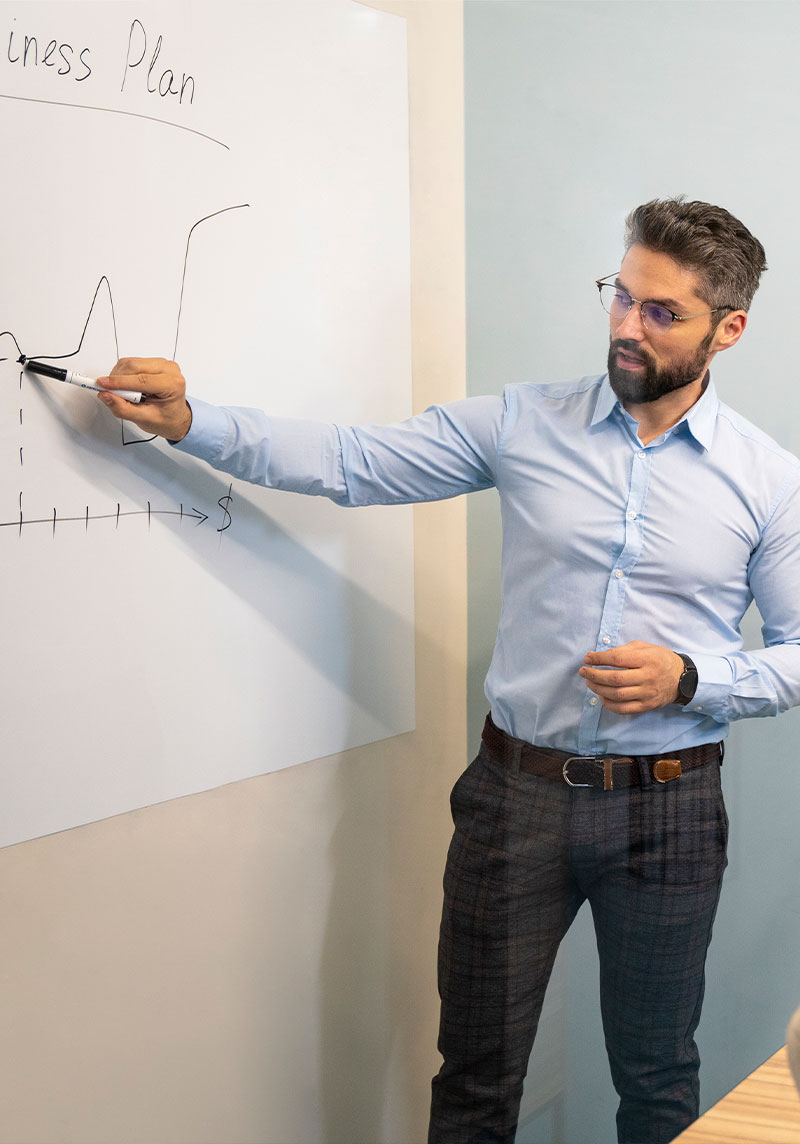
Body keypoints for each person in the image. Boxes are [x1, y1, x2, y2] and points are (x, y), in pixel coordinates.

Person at [96, 199, 800, 1144]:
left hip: (670, 811)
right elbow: (355, 461)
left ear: (730, 328)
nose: (628, 328)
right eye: (620, 297)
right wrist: (195, 422)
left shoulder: (769, 480)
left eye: (661, 312)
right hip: (518, 800)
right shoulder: (523, 422)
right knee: (473, 1080)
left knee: (660, 1076)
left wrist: (693, 678)